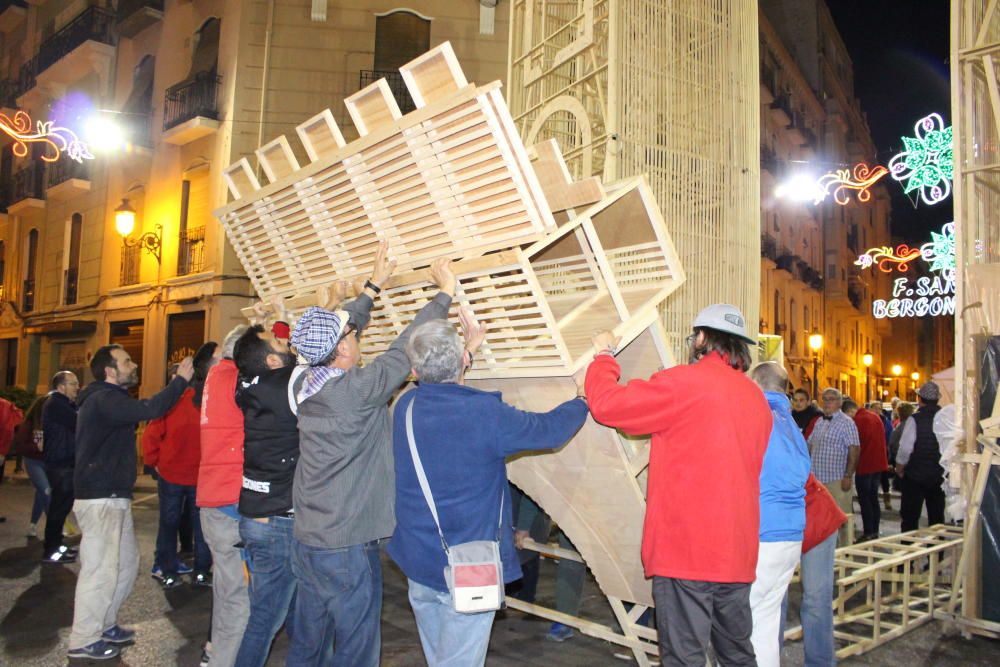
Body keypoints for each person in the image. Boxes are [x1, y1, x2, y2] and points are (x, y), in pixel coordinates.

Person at [287, 252, 460, 667]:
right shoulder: (356, 391)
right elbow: (404, 350)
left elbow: (337, 334)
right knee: (357, 649)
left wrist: (373, 287)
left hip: (310, 537)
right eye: (350, 334)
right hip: (344, 543)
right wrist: (444, 295)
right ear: (343, 349)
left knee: (308, 643)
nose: (355, 335)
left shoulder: (301, 382)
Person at [389, 316, 588, 665]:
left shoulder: (404, 406)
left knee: (441, 659)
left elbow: (435, 383)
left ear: (415, 371)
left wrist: (464, 351)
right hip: (471, 564)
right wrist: (583, 397)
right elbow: (550, 430)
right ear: (464, 361)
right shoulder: (483, 413)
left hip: (419, 560)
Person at [586, 304, 771, 666]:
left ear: (701, 338)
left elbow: (608, 406)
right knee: (736, 654)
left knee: (684, 658)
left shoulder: (683, 383)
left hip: (687, 553)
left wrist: (603, 356)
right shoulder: (756, 399)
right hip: (737, 553)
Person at [67, 345, 193, 660]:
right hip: (100, 498)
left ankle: (105, 624)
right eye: (126, 361)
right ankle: (83, 639)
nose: (133, 364)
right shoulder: (103, 399)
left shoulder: (110, 399)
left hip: (113, 497)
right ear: (110, 371)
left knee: (125, 565)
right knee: (100, 571)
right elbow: (150, 409)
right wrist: (179, 381)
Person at [231, 321, 302, 667]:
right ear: (273, 364)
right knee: (264, 621)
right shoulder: (285, 387)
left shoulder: (246, 385)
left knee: (293, 616)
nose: (286, 343)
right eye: (279, 343)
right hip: (277, 523)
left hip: (258, 517)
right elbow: (324, 358)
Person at [748, 362, 810, 667]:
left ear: (756, 384)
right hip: (791, 536)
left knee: (736, 627)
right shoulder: (791, 425)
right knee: (766, 624)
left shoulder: (756, 418)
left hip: (762, 533)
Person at [143, 344, 217, 588]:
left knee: (168, 523)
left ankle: (167, 568)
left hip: (172, 474)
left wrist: (152, 463)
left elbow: (152, 436)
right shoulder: (205, 401)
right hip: (198, 476)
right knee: (200, 527)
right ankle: (201, 571)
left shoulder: (170, 403)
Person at [198, 324, 250, 667]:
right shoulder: (236, 382)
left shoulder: (216, 375)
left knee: (226, 591)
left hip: (214, 498)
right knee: (237, 599)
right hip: (230, 502)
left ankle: (216, 650)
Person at [780, 474, 847, 667]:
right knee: (774, 601)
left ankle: (820, 662)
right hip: (783, 527)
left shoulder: (775, 448)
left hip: (817, 521)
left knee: (816, 600)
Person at [806, 388, 859, 545]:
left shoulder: (847, 423)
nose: (827, 403)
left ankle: (846, 552)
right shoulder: (820, 422)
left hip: (837, 478)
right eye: (825, 399)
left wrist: (848, 476)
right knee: (821, 518)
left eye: (831, 399)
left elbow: (854, 449)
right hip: (818, 480)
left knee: (843, 518)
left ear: (839, 402)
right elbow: (809, 445)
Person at [41, 371, 80, 563]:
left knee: (62, 508)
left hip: (64, 462)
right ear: (61, 386)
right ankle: (51, 551)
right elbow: (78, 423)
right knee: (59, 508)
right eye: (73, 384)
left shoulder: (64, 404)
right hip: (60, 463)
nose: (77, 387)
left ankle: (57, 545)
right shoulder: (56, 404)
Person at [895, 382, 946, 532]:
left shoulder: (914, 419)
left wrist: (899, 468)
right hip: (938, 475)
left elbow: (905, 449)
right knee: (937, 520)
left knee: (910, 519)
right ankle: (937, 554)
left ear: (920, 399)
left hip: (915, 476)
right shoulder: (945, 418)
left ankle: (909, 553)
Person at [843, 399, 889, 541]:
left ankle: (868, 531)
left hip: (865, 464)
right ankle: (874, 530)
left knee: (865, 500)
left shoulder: (858, 421)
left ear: (851, 411)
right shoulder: (874, 416)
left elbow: (855, 445)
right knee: (873, 498)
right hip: (878, 464)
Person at [16, 393, 50, 538]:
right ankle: (57, 525)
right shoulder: (29, 424)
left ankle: (32, 525)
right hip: (33, 461)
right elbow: (22, 445)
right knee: (47, 492)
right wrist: (38, 448)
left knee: (41, 493)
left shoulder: (51, 422)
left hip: (48, 462)